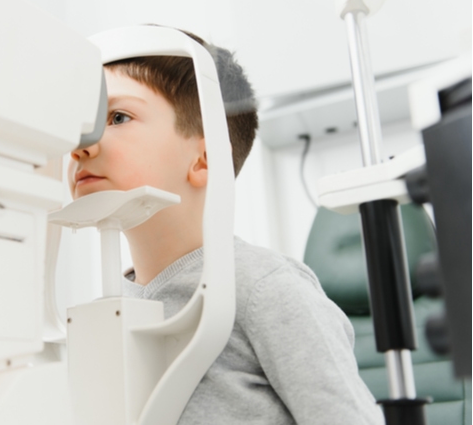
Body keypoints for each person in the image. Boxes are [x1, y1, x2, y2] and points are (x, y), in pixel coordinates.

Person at [67, 27, 384, 425]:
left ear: (204, 159)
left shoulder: (263, 290)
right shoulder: (109, 310)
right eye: (83, 124)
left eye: (117, 117)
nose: (83, 145)